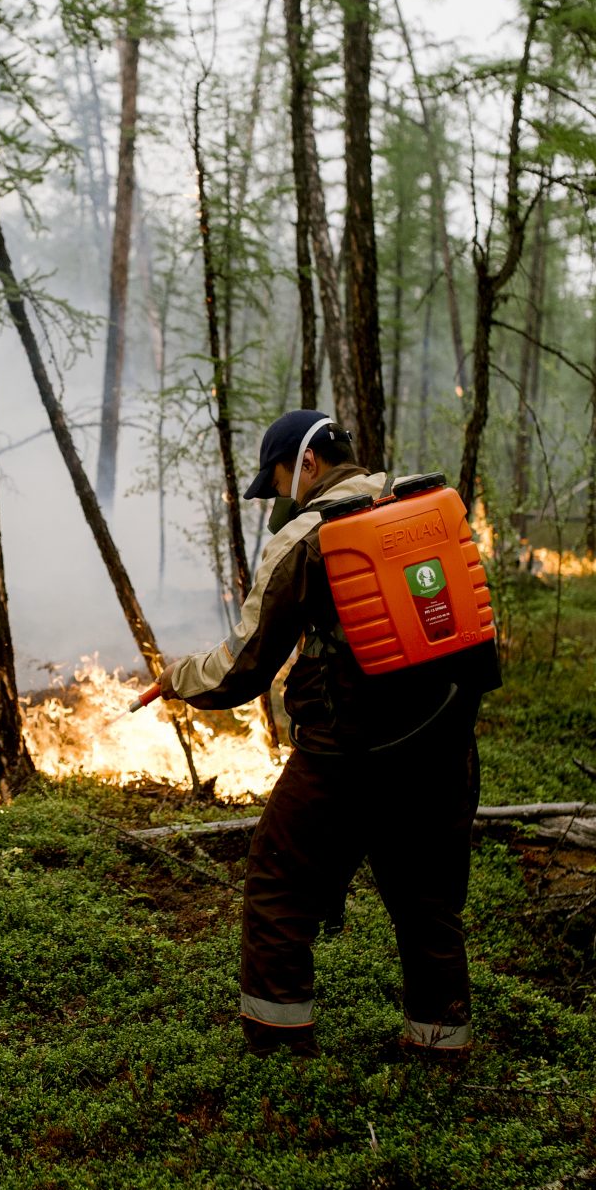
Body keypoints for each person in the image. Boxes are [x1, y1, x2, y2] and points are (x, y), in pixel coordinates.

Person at [157, 409, 500, 1059]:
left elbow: (243, 666)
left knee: (279, 885)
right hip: (445, 746)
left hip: (347, 759)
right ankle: (440, 1046)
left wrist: (178, 678)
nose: (278, 495)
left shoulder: (312, 536)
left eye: (280, 477)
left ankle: (280, 1052)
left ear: (308, 463)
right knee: (427, 902)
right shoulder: (423, 511)